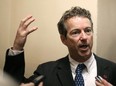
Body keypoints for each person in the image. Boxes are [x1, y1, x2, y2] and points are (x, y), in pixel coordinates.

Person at [3, 6, 116, 86]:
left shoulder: (113, 69)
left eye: (88, 30)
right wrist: (17, 47)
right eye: (76, 32)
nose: (84, 37)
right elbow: (14, 83)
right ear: (63, 39)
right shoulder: (46, 71)